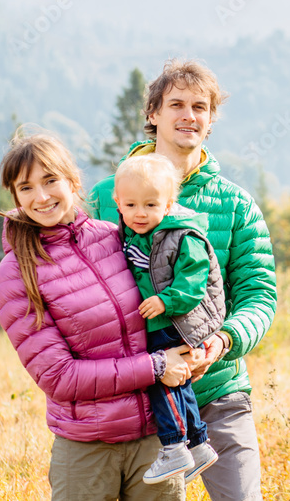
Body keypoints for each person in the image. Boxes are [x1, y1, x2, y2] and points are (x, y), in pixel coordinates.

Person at [90, 59, 277, 501]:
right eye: (176, 104)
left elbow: (259, 295)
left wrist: (223, 341)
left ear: (211, 120)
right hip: (137, 395)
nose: (188, 116)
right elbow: (86, 288)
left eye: (199, 107)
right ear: (153, 113)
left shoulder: (236, 205)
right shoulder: (106, 197)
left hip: (217, 389)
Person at [0, 129, 190, 501]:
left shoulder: (115, 238)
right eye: (26, 188)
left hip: (155, 441)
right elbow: (60, 377)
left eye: (50, 180)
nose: (42, 196)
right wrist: (156, 367)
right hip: (87, 450)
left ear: (72, 180)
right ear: (16, 197)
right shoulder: (17, 272)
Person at [112, 153, 224, 484]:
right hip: (154, 325)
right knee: (179, 384)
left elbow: (193, 283)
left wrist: (165, 301)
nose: (140, 213)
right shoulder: (132, 235)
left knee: (163, 382)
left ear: (169, 204)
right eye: (131, 205)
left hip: (171, 323)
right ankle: (198, 444)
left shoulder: (182, 236)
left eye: (150, 205)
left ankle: (174, 445)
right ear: (118, 203)